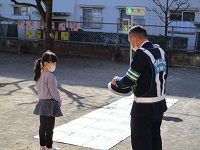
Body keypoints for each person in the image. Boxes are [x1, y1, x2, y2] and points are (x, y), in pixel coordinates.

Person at [111, 25, 168, 150]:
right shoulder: (160, 51)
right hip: (160, 104)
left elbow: (129, 80)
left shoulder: (141, 54)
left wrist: (117, 81)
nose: (130, 44)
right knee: (155, 139)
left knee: (141, 143)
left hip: (143, 108)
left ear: (134, 38)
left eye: (129, 41)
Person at [33, 50, 62, 150]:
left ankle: (42, 146)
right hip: (50, 104)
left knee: (42, 126)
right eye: (53, 63)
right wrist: (59, 100)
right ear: (46, 63)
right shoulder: (50, 76)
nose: (54, 65)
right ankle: (49, 147)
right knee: (49, 128)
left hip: (41, 103)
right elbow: (54, 91)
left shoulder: (39, 74)